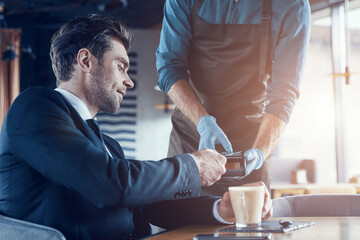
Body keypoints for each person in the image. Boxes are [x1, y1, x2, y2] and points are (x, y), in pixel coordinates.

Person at [0, 14, 272, 240]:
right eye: (121, 66)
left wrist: (218, 210)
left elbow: (145, 206)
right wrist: (192, 165)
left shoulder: (109, 146)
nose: (129, 81)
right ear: (85, 61)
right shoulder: (33, 108)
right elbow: (109, 184)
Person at [156, 0, 311, 195]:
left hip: (251, 144)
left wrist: (260, 152)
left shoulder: (292, 5)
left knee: (248, 221)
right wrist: (203, 122)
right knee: (181, 220)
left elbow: (284, 92)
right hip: (191, 137)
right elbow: (169, 69)